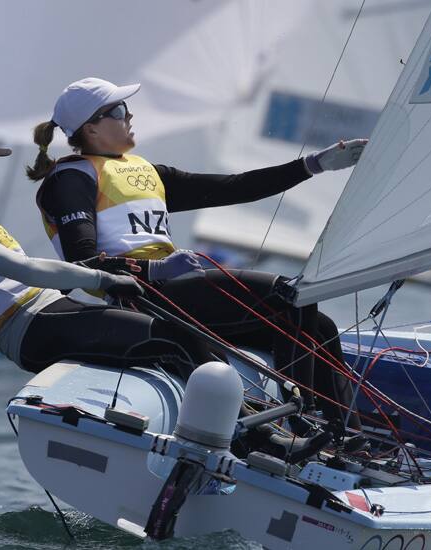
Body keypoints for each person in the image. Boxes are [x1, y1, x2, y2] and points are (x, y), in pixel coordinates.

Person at [28, 77, 367, 430]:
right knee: (292, 297)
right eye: (118, 110)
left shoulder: (146, 172)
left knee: (321, 327)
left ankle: (348, 433)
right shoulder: (69, 180)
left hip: (179, 290)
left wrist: (314, 164)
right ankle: (303, 422)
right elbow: (82, 260)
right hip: (143, 296)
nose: (129, 115)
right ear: (91, 128)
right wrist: (154, 269)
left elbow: (236, 187)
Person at [0, 130, 212, 377]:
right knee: (175, 341)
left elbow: (42, 272)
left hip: (49, 316)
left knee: (180, 336)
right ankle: (241, 436)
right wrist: (105, 280)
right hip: (33, 329)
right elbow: (28, 270)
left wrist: (145, 271)